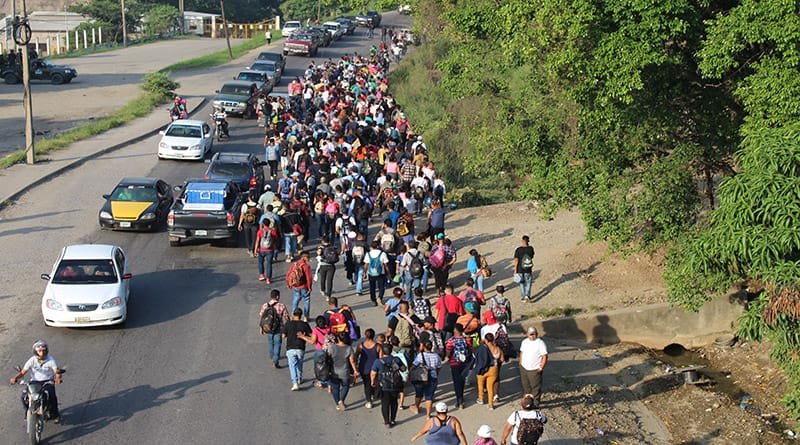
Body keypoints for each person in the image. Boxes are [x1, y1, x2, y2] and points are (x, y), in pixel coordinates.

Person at [9, 340, 62, 423]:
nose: (42, 353)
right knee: (24, 397)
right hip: (34, 382)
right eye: (40, 351)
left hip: (47, 382)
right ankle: (27, 411)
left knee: (52, 397)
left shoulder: (50, 359)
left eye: (44, 351)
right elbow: (23, 372)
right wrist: (15, 378)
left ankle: (55, 414)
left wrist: (58, 378)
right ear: (35, 351)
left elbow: (56, 371)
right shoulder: (32, 360)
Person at [370, 343, 406, 427]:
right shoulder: (396, 359)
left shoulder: (378, 361)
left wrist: (372, 382)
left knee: (385, 404)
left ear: (382, 351)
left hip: (384, 386)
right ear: (391, 351)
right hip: (395, 385)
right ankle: (393, 419)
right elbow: (403, 369)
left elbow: (373, 373)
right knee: (394, 403)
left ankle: (386, 422)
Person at [325, 331, 359, 411]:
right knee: (345, 386)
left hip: (334, 371)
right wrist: (355, 370)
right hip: (345, 372)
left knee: (335, 388)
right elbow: (352, 361)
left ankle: (338, 403)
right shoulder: (349, 348)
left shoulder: (332, 348)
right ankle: (342, 400)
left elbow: (327, 358)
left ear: (338, 338)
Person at [297, 316, 332, 388]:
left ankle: (321, 382)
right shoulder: (328, 329)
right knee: (328, 366)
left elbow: (312, 341)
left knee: (320, 367)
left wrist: (303, 337)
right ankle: (329, 383)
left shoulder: (316, 330)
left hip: (320, 351)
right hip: (329, 350)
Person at [410, 339, 442, 417]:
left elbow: (414, 365)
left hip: (422, 377)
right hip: (432, 377)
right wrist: (436, 373)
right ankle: (428, 415)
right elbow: (439, 367)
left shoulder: (420, 355)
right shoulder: (436, 356)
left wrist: (410, 372)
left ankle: (417, 408)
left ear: (424, 347)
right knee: (429, 396)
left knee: (419, 394)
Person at [283, 308, 312, 391]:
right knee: (299, 363)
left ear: (293, 314)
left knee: (292, 366)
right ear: (301, 315)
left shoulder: (288, 324)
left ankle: (295, 383)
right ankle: (299, 378)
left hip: (290, 348)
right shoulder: (304, 324)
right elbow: (311, 334)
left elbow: (283, 335)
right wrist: (304, 335)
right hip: (300, 347)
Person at [445, 323, 473, 409]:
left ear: (455, 330)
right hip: (464, 363)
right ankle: (461, 397)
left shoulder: (451, 341)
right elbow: (470, 349)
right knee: (462, 380)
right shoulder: (467, 339)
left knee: (456, 382)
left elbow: (448, 352)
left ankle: (459, 400)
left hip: (454, 363)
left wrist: (448, 358)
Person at [260, 289, 290, 368]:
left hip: (268, 328)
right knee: (277, 344)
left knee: (270, 342)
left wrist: (261, 328)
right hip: (278, 328)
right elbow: (286, 317)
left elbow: (262, 317)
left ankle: (271, 355)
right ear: (277, 296)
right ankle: (275, 361)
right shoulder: (281, 305)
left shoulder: (265, 305)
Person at [519, 327, 547, 407]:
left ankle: (535, 404)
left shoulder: (540, 343)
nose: (532, 336)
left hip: (534, 369)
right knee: (526, 386)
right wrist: (521, 363)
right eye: (530, 334)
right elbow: (522, 352)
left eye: (533, 334)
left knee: (535, 388)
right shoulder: (524, 342)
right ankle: (527, 402)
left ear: (536, 334)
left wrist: (541, 367)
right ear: (527, 334)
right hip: (524, 368)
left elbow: (544, 356)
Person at [474, 333, 503, 410]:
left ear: (485, 340)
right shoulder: (497, 349)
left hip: (483, 368)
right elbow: (502, 359)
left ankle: (481, 398)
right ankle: (491, 404)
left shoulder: (483, 348)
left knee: (480, 384)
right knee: (490, 387)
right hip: (494, 369)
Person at [356, 328, 380, 409]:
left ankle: (369, 401)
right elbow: (380, 358)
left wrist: (354, 367)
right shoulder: (378, 346)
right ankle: (374, 394)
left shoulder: (360, 345)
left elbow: (356, 356)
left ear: (365, 336)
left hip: (364, 367)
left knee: (366, 384)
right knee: (374, 382)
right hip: (375, 368)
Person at [286, 251, 313, 321]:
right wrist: (309, 287)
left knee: (295, 300)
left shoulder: (294, 264)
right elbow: (309, 278)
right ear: (304, 257)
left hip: (296, 286)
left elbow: (288, 274)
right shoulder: (306, 266)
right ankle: (306, 316)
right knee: (306, 300)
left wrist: (289, 284)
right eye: (308, 257)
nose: (309, 258)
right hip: (304, 286)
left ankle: (294, 315)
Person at [364, 240, 390, 306]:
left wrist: (365, 273)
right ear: (378, 246)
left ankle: (373, 300)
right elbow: (386, 265)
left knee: (372, 287)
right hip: (381, 273)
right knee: (381, 286)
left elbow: (366, 264)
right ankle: (380, 297)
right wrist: (389, 274)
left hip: (371, 273)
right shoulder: (382, 254)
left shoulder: (368, 254)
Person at [513, 236, 535, 301]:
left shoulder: (518, 249)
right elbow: (531, 256)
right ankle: (527, 295)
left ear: (522, 241)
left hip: (520, 269)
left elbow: (516, 260)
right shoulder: (531, 248)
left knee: (521, 283)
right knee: (528, 282)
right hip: (528, 269)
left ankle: (523, 296)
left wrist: (515, 269)